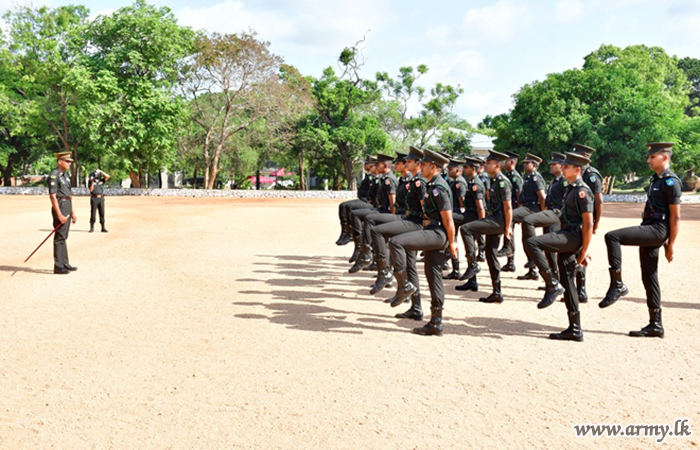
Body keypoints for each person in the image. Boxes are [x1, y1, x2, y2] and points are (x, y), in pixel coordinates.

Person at [598, 142, 681, 339]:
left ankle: (617, 285)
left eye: (653, 157)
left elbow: (675, 217)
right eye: (649, 156)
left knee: (612, 236)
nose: (648, 160)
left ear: (665, 157)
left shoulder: (671, 181)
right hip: (649, 227)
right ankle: (656, 325)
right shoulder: (656, 180)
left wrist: (671, 245)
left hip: (657, 229)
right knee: (649, 276)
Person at [524, 152, 593, 342]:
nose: (562, 169)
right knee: (568, 279)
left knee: (533, 242)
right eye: (562, 166)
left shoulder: (582, 190)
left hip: (572, 236)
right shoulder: (571, 188)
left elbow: (588, 224)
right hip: (568, 234)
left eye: (566, 167)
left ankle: (551, 283)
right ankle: (575, 328)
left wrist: (584, 250)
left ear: (577, 169)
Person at [388, 149, 456, 336]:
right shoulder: (433, 184)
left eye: (424, 165)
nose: (421, 167)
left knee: (396, 242)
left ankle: (403, 286)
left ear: (433, 167)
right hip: (432, 232)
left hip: (437, 233)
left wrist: (452, 243)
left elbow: (448, 220)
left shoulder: (438, 187)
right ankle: (436, 323)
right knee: (433, 276)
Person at [370, 147, 427, 303]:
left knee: (377, 231)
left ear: (418, 163)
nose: (406, 163)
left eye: (409, 161)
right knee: (409, 264)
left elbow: (424, 208)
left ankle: (385, 272)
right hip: (409, 220)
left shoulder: (419, 182)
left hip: (415, 223)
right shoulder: (413, 181)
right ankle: (414, 304)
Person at [459, 150, 513, 303]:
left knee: (466, 228)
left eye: (489, 163)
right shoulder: (494, 180)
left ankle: (473, 264)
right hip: (494, 219)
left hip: (498, 220)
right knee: (491, 254)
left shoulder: (503, 182)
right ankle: (497, 291)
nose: (486, 165)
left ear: (497, 165)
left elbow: (508, 207)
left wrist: (508, 228)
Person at [520, 152, 568, 290]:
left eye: (554, 164)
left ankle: (556, 281)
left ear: (562, 166)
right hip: (550, 214)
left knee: (552, 250)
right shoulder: (556, 180)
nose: (551, 167)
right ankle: (552, 280)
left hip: (557, 216)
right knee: (548, 250)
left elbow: (566, 201)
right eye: (551, 164)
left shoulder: (564, 181)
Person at [349, 153, 397, 273]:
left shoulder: (389, 180)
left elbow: (393, 202)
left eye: (378, 164)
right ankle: (378, 265)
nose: (375, 166)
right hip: (382, 210)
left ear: (385, 165)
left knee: (386, 242)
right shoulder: (384, 178)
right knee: (380, 240)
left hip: (386, 212)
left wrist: (393, 218)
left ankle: (367, 253)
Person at [569, 144, 604, 303]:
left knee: (582, 250)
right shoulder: (578, 172)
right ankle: (575, 288)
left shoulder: (591, 175)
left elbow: (599, 201)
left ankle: (581, 290)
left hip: (585, 220)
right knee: (577, 251)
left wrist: (595, 224)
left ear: (586, 158)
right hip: (575, 218)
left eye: (579, 155)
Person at [512, 153, 547, 281]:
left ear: (534, 165)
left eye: (527, 163)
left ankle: (507, 248)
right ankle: (532, 270)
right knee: (525, 239)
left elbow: (542, 197)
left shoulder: (536, 178)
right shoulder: (527, 177)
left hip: (532, 208)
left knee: (508, 216)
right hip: (526, 208)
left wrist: (543, 213)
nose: (524, 164)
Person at [454, 157, 487, 291]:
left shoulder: (476, 184)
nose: (464, 169)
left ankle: (472, 265)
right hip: (470, 214)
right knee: (470, 245)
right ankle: (472, 281)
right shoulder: (471, 181)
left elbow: (480, 207)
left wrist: (481, 224)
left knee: (452, 219)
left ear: (473, 169)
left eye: (466, 167)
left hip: (473, 216)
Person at [48, 152, 78, 274]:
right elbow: (53, 197)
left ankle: (65, 263)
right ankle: (58, 265)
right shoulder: (54, 175)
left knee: (64, 236)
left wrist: (73, 212)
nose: (69, 163)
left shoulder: (65, 176)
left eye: (70, 161)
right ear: (59, 161)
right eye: (67, 161)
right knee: (59, 237)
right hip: (60, 205)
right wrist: (59, 214)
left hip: (67, 205)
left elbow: (68, 195)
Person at [336, 157, 375, 246]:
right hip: (363, 200)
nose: (365, 165)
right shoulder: (369, 176)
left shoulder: (376, 178)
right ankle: (346, 231)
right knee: (343, 206)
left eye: (367, 163)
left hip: (369, 202)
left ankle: (350, 233)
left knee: (349, 208)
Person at [497, 151, 523, 272]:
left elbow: (519, 195)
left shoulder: (515, 176)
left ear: (511, 162)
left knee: (509, 233)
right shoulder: (508, 175)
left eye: (506, 160)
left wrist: (517, 211)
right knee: (508, 232)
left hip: (512, 208)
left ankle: (510, 258)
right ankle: (510, 262)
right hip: (507, 208)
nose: (503, 163)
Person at [443, 157, 468, 279]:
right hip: (454, 213)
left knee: (453, 240)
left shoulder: (460, 183)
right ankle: (455, 268)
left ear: (458, 170)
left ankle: (456, 268)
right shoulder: (454, 181)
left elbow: (462, 201)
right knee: (452, 240)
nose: (448, 170)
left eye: (451, 169)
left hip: (456, 213)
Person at [89, 168, 110, 233]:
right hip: (94, 198)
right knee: (93, 213)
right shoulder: (91, 182)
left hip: (101, 198)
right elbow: (91, 190)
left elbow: (107, 176)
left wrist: (101, 171)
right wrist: (92, 181)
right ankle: (92, 227)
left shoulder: (101, 181)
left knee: (102, 213)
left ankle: (103, 227)